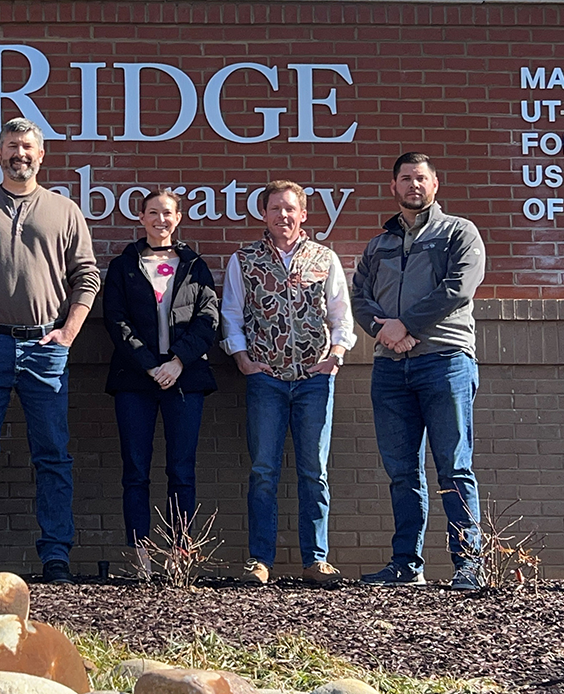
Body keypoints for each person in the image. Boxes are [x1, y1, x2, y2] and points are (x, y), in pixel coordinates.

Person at [0, 117, 101, 584]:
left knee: (53, 454)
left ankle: (55, 555)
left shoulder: (64, 211)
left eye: (27, 147)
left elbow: (86, 276)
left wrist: (68, 332)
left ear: (41, 154)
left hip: (45, 348)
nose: (19, 154)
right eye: (11, 147)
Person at [351, 152, 486, 590]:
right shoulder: (378, 245)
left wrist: (405, 325)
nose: (413, 185)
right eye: (405, 178)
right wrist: (383, 332)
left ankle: (468, 564)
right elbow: (360, 298)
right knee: (402, 472)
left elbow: (457, 288)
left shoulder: (458, 233)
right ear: (394, 187)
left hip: (445, 362)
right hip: (391, 369)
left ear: (435, 184)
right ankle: (406, 565)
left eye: (421, 178)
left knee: (453, 467)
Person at [221, 180, 356, 586]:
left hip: (314, 379)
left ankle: (316, 559)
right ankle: (260, 560)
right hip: (267, 379)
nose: (283, 215)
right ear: (264, 214)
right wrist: (242, 358)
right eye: (275, 208)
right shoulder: (244, 260)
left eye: (290, 209)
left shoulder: (323, 258)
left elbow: (340, 313)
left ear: (303, 215)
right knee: (264, 470)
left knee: (314, 470)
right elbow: (232, 312)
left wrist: (336, 356)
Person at [103, 189, 219, 576]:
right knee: (135, 471)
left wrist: (178, 362)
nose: (160, 219)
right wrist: (150, 365)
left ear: (178, 217)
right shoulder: (124, 266)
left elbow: (208, 320)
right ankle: (141, 557)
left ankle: (179, 556)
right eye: (153, 212)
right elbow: (117, 321)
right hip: (135, 381)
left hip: (185, 381)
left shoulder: (195, 265)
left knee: (181, 471)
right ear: (141, 217)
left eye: (167, 213)